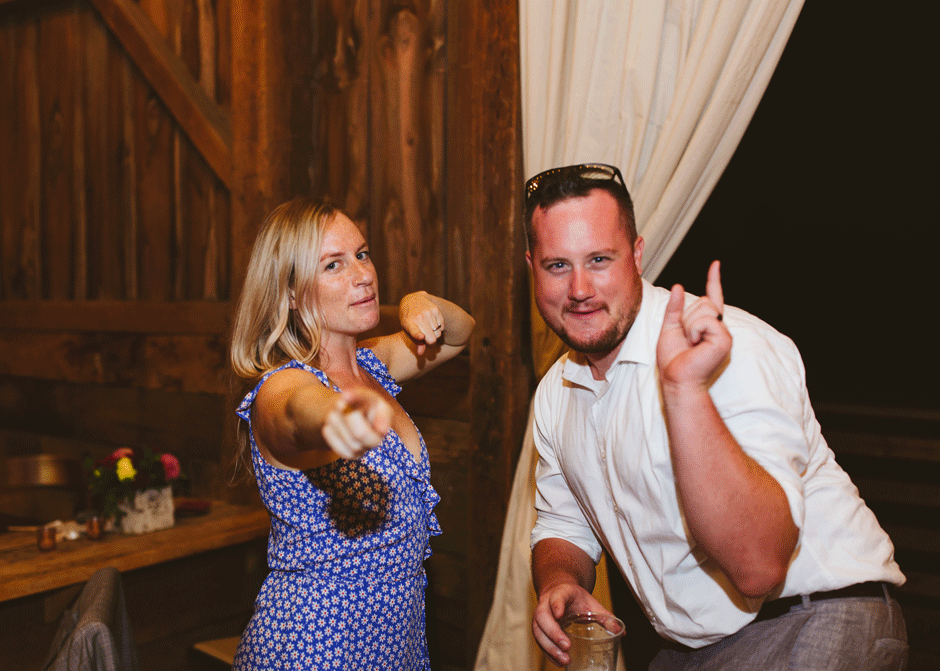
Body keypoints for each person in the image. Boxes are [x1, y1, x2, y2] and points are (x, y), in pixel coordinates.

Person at [524, 164, 908, 670]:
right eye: (557, 265)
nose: (579, 288)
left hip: (812, 615)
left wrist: (684, 390)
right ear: (531, 267)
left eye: (599, 259)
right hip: (691, 647)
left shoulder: (729, 347)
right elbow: (563, 523)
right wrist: (559, 581)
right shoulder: (555, 394)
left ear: (636, 255)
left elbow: (760, 568)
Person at [228, 196, 474, 670]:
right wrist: (335, 417)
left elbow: (461, 333)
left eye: (362, 254)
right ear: (292, 293)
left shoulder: (373, 365)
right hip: (314, 646)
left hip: (394, 642)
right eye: (333, 265)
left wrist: (419, 302)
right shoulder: (280, 385)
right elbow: (297, 410)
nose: (363, 275)